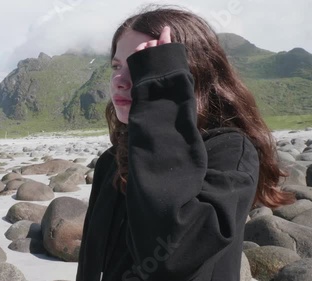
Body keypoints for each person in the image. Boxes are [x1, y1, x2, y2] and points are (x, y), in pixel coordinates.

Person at [75, 5, 295, 281]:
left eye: (141, 66)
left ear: (189, 73)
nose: (120, 80)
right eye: (117, 66)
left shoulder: (230, 152)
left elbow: (172, 259)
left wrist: (160, 100)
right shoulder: (112, 159)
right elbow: (91, 265)